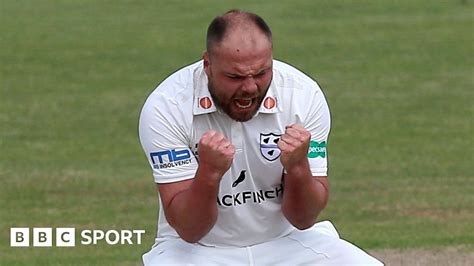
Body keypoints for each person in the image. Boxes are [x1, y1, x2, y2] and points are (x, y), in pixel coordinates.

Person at [139, 9, 382, 265]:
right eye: (235, 77)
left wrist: (298, 167)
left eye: (262, 73)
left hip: (287, 242)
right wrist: (209, 173)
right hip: (197, 250)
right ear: (207, 65)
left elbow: (303, 219)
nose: (250, 88)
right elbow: (190, 230)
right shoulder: (167, 107)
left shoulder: (302, 96)